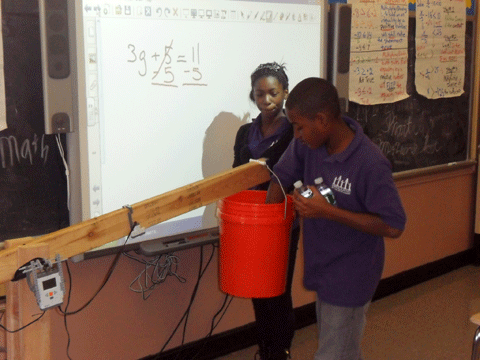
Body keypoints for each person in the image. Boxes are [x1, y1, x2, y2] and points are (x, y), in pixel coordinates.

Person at [265, 77, 407, 360]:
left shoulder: (369, 163)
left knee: (333, 353)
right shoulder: (308, 144)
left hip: (353, 275)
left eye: (300, 126)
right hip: (323, 266)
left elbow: (393, 225)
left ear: (322, 120)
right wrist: (267, 230)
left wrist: (325, 210)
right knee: (343, 349)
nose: (297, 135)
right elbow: (279, 179)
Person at [232, 62, 300, 360]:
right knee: (257, 289)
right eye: (260, 95)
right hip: (250, 222)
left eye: (273, 93)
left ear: (285, 93)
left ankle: (280, 350)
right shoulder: (245, 132)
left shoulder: (296, 132)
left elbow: (291, 175)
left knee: (277, 289)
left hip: (281, 221)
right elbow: (236, 174)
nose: (266, 100)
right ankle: (265, 348)